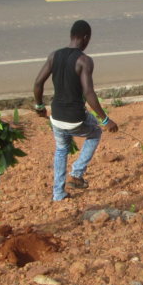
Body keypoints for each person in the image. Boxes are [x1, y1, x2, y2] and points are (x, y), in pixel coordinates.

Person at [32, 20, 118, 202]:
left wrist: (39, 107)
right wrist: (105, 119)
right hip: (75, 118)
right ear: (86, 38)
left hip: (56, 117)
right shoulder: (84, 61)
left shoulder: (54, 55)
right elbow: (88, 93)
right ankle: (77, 174)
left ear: (71, 35)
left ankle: (58, 193)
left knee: (61, 149)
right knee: (94, 132)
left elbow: (38, 83)